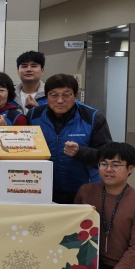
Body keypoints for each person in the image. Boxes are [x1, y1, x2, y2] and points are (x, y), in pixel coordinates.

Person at [27, 74, 112, 204]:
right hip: (43, 188)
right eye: (54, 95)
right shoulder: (34, 115)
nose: (60, 100)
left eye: (66, 95)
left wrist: (80, 152)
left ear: (76, 95)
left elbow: (107, 156)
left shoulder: (92, 117)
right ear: (46, 96)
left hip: (83, 189)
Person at [13, 50, 47, 115]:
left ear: (42, 70)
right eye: (24, 66)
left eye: (34, 66)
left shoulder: (51, 94)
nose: (28, 69)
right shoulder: (9, 95)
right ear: (18, 71)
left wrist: (37, 109)